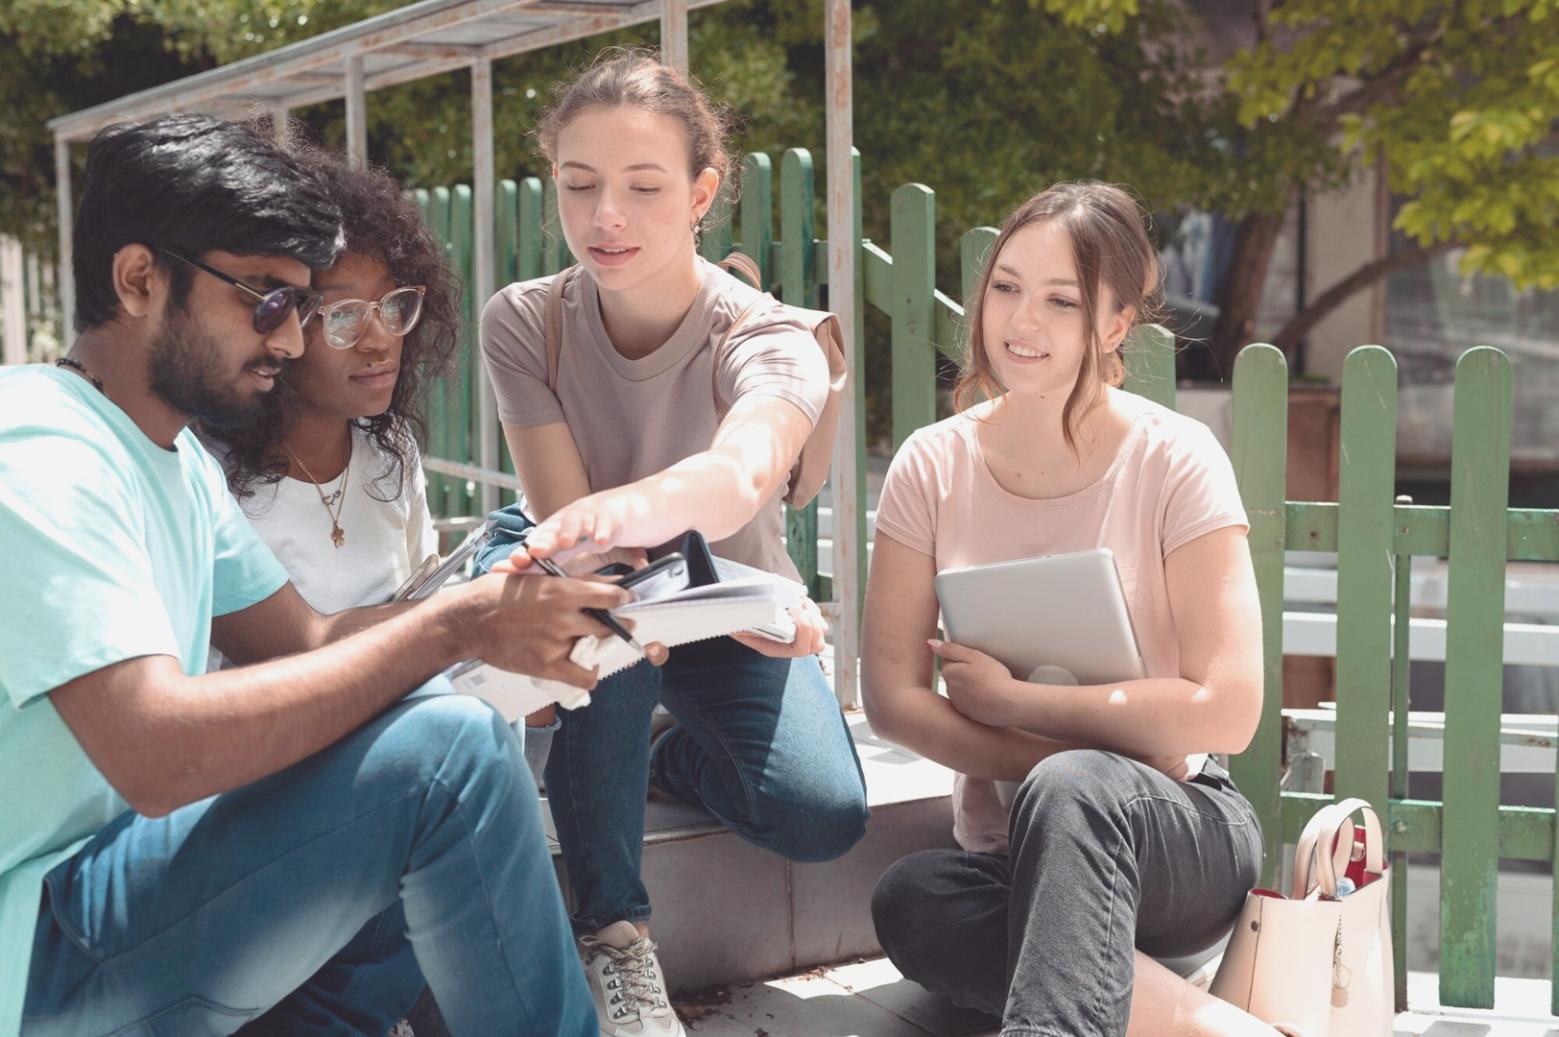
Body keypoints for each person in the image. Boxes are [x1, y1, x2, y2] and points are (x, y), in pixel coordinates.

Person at [2, 113, 652, 1037]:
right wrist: (451, 628)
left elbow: (307, 639)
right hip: (36, 947)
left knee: (459, 728)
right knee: (446, 755)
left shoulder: (171, 456)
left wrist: (494, 607)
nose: (295, 340)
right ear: (139, 279)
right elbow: (156, 754)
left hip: (118, 886)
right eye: (267, 300)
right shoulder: (39, 450)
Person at [478, 49, 868, 1037]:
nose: (606, 216)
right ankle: (613, 932)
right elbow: (564, 524)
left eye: (643, 187)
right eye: (579, 185)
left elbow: (738, 475)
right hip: (602, 592)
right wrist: (606, 555)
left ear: (701, 193)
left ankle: (664, 749)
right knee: (611, 628)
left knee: (821, 815)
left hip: (732, 611)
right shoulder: (525, 323)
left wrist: (649, 519)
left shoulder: (769, 335)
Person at [862, 182, 1277, 1037]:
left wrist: (1023, 706)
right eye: (1006, 286)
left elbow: (1227, 710)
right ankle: (1200, 1024)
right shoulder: (930, 465)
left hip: (1176, 826)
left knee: (1071, 786)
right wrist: (1046, 747)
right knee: (912, 898)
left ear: (1115, 325)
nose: (1021, 320)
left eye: (1062, 301)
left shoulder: (1176, 457)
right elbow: (891, 697)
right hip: (1013, 854)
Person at [197, 145, 461, 1034]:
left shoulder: (392, 456)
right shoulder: (213, 481)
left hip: (391, 766)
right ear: (277, 324)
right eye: (342, 315)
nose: (381, 335)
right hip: (256, 796)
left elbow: (418, 604)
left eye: (394, 304)